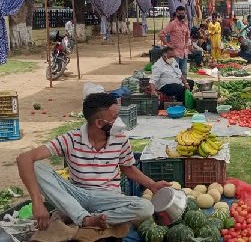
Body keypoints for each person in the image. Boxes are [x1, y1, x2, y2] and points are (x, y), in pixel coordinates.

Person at [16, 93, 171, 231]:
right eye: (114, 118)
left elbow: (128, 169)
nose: (119, 122)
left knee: (145, 208)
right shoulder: (71, 138)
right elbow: (23, 158)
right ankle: (84, 217)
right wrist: (37, 202)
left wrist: (152, 185)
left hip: (108, 198)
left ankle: (87, 219)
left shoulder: (121, 139)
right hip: (76, 196)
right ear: (99, 123)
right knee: (36, 166)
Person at [159, 6, 190, 76]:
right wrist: (167, 44)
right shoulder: (172, 24)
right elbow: (161, 34)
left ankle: (184, 86)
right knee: (175, 73)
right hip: (175, 53)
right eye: (179, 13)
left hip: (184, 53)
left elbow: (188, 35)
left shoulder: (185, 24)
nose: (181, 15)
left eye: (183, 13)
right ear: (176, 13)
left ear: (185, 13)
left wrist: (186, 44)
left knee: (184, 73)